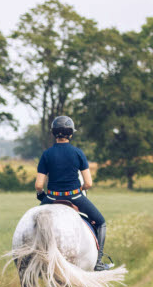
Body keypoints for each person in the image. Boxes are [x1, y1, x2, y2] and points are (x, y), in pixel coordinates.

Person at [35, 116, 112, 271]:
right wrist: (81, 189)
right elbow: (89, 183)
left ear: (53, 133)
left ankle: (34, 262)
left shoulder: (47, 154)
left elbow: (38, 185)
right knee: (101, 222)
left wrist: (42, 195)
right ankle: (98, 262)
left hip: (51, 197)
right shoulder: (78, 153)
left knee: (35, 223)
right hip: (75, 196)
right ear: (70, 134)